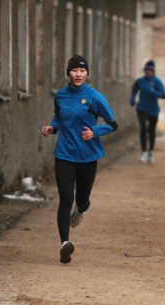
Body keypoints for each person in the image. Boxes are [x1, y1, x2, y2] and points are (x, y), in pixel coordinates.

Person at [41, 54, 118, 264]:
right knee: (66, 199)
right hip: (64, 154)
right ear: (68, 72)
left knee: (81, 199)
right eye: (74, 70)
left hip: (88, 155)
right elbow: (59, 116)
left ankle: (81, 209)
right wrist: (52, 127)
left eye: (82, 71)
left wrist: (95, 131)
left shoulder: (95, 97)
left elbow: (113, 124)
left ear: (87, 73)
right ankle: (65, 244)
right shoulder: (61, 96)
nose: (78, 74)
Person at [130, 60, 165, 164]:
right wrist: (132, 99)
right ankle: (143, 152)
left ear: (153, 71)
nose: (148, 71)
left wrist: (153, 91)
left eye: (150, 70)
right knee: (143, 128)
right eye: (146, 69)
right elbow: (134, 89)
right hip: (141, 108)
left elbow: (163, 95)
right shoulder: (140, 81)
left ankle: (151, 151)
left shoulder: (157, 81)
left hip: (153, 109)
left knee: (151, 130)